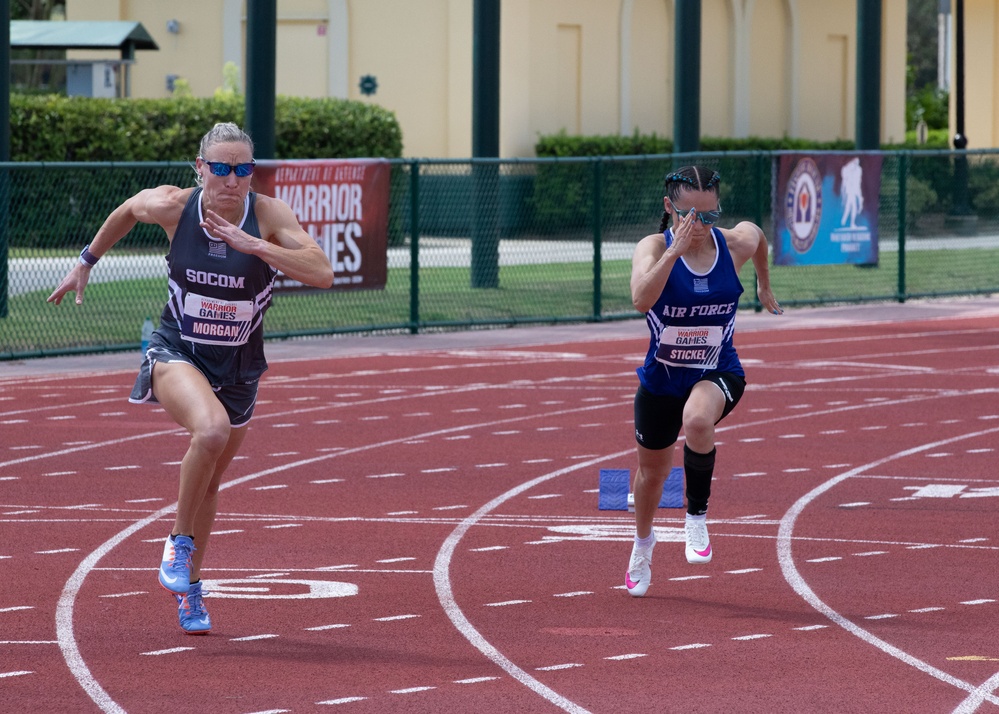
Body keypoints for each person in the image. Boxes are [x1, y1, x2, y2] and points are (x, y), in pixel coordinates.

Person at [47, 122, 334, 631]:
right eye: (220, 168)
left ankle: (192, 589)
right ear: (199, 168)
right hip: (177, 350)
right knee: (211, 430)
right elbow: (128, 210)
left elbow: (320, 271)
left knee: (212, 480)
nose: (232, 179)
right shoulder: (175, 207)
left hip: (240, 368)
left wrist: (258, 247)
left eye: (242, 169)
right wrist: (86, 261)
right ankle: (177, 545)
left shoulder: (267, 215)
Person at [624, 165, 781, 597]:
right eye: (690, 216)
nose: (700, 227)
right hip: (662, 379)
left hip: (718, 370)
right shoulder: (653, 247)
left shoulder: (733, 244)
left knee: (697, 421)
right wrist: (673, 253)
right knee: (651, 475)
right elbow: (640, 299)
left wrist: (763, 283)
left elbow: (759, 237)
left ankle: (696, 518)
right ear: (669, 208)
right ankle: (643, 544)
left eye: (709, 217)